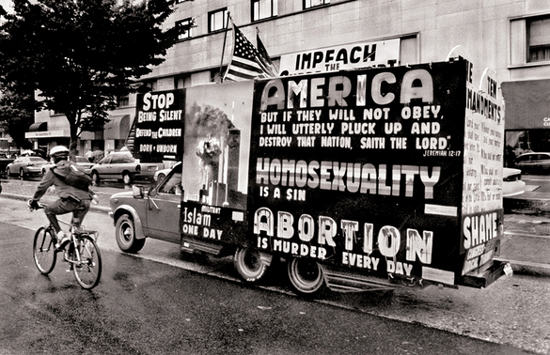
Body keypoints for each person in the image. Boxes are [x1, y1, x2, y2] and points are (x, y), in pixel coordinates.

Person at [28, 145, 94, 249]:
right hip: (86, 202)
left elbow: (41, 188)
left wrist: (34, 201)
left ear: (54, 158)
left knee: (48, 210)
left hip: (70, 202)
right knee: (75, 229)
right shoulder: (74, 167)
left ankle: (60, 235)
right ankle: (75, 257)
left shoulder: (54, 171)